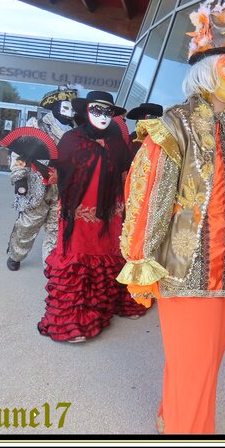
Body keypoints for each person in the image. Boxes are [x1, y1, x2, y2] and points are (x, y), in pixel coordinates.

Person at [116, 0, 225, 434]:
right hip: (186, 269)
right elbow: (148, 194)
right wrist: (141, 260)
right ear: (207, 71)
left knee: (204, 363)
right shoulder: (175, 125)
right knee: (195, 365)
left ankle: (172, 418)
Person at [37, 90, 147, 343]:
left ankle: (108, 307)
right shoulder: (71, 139)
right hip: (79, 214)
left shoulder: (118, 141)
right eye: (97, 110)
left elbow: (125, 174)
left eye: (108, 111)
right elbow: (58, 174)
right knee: (79, 259)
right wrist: (40, 167)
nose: (103, 116)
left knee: (111, 255)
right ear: (86, 111)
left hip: (111, 214)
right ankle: (74, 321)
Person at [6, 86, 77, 271]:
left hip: (62, 189)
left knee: (56, 229)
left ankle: (51, 265)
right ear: (55, 107)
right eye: (66, 106)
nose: (71, 111)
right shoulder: (36, 126)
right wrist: (19, 178)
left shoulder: (77, 132)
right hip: (36, 185)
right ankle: (16, 254)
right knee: (27, 225)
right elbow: (18, 153)